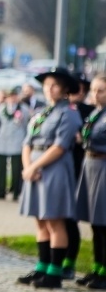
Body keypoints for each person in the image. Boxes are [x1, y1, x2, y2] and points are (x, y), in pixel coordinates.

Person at [17, 67, 83, 289]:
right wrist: (27, 167)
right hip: (34, 169)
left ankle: (55, 272)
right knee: (40, 219)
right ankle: (42, 267)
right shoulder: (42, 113)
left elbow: (60, 146)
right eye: (46, 85)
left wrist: (34, 165)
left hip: (53, 168)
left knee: (54, 220)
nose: (49, 89)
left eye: (54, 85)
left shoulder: (69, 113)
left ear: (65, 89)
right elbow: (27, 142)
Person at [75, 73, 106, 289]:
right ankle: (97, 267)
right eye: (94, 90)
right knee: (96, 223)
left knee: (104, 223)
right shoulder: (96, 113)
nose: (95, 94)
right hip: (91, 166)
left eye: (101, 90)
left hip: (103, 166)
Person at [62, 73, 95, 278]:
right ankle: (63, 258)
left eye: (82, 88)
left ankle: (69, 262)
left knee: (71, 218)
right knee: (62, 217)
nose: (78, 92)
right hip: (65, 169)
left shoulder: (89, 112)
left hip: (81, 170)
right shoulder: (65, 110)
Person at [0, 87, 30, 200]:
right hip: (3, 139)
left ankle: (16, 191)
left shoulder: (24, 109)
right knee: (2, 167)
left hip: (17, 139)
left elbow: (26, 124)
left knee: (16, 167)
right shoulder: (1, 108)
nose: (12, 99)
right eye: (10, 96)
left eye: (14, 96)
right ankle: (1, 190)